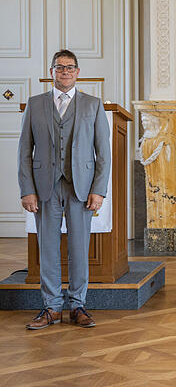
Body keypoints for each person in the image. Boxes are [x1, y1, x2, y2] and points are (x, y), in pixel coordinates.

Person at [18, 49, 111, 329]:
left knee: (79, 248)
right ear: (52, 72)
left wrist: (99, 189)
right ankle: (51, 307)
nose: (65, 72)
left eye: (70, 67)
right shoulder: (35, 105)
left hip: (80, 188)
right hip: (44, 187)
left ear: (78, 72)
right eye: (60, 67)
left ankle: (78, 305)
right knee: (47, 248)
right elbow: (24, 151)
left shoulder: (93, 105)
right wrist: (27, 189)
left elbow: (103, 153)